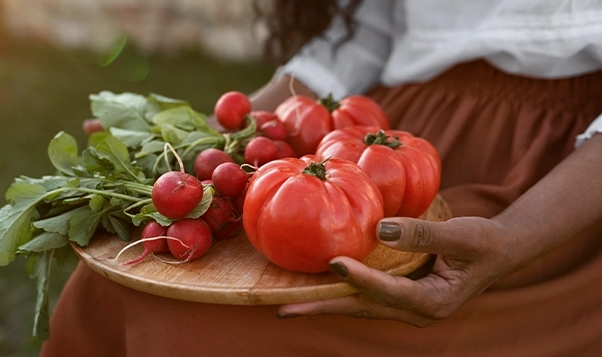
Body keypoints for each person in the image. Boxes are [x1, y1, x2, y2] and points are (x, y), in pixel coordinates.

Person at [44, 1, 602, 356]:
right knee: (123, 273)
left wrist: (515, 236)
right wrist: (212, 136)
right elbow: (369, 30)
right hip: (379, 139)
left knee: (217, 325)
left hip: (560, 182)